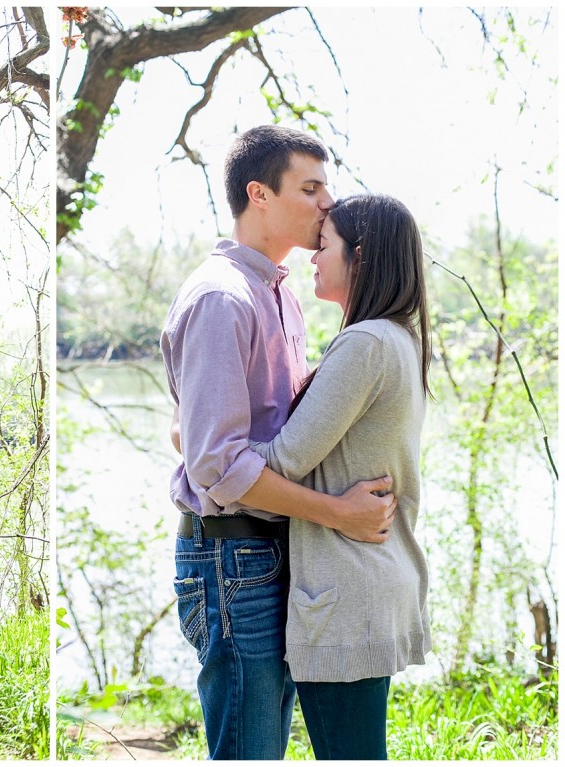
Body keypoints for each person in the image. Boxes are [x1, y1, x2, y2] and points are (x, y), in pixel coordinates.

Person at [160, 125, 397, 760]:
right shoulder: (221, 297)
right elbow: (218, 466)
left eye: (328, 188)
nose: (327, 203)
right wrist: (340, 512)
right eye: (311, 187)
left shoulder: (280, 295)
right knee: (250, 750)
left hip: (272, 551)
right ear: (259, 194)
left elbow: (239, 430)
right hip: (231, 559)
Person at [247, 194, 432, 759]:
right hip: (374, 581)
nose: (312, 257)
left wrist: (194, 439)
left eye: (324, 245)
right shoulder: (399, 338)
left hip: (346, 592)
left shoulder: (365, 343)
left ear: (362, 255)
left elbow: (284, 459)